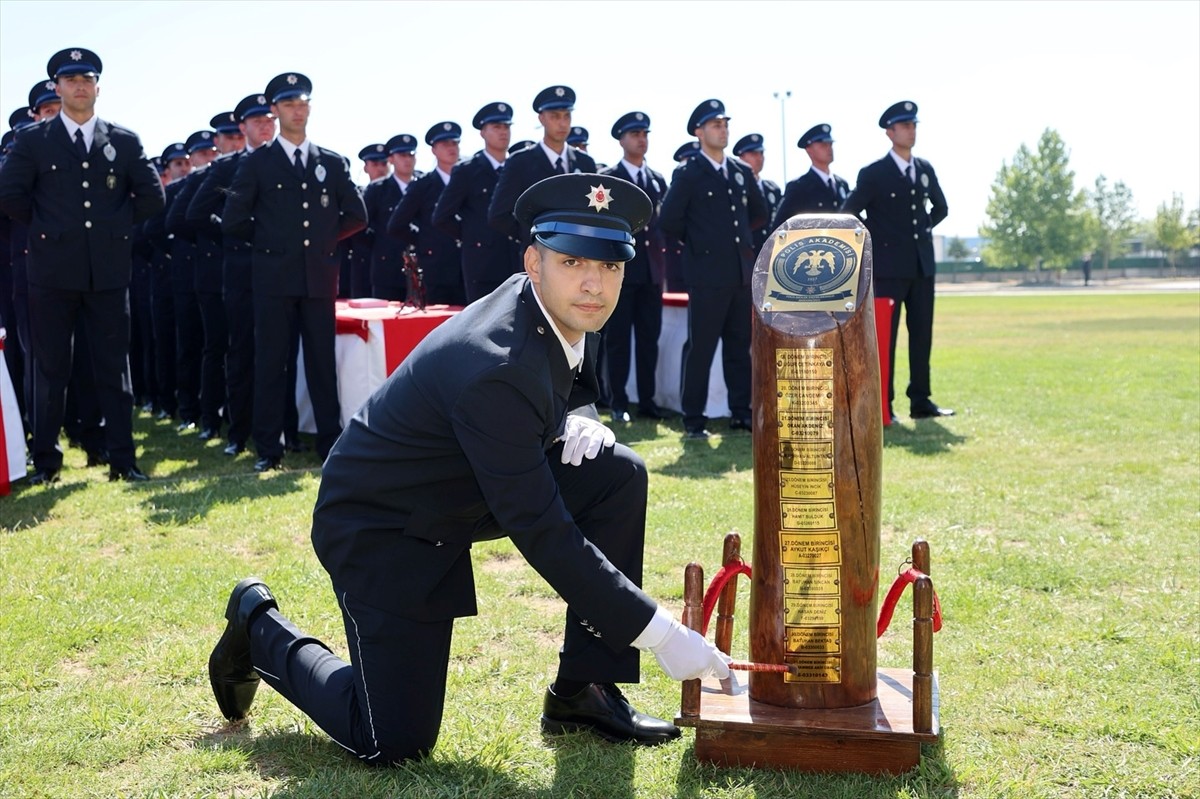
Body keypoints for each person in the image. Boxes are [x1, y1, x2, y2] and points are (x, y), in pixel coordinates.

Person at [208, 173, 731, 764]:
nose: (594, 283)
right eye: (573, 261)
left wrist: (574, 416)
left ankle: (585, 689)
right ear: (534, 262)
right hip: (386, 524)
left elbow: (561, 376)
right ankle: (259, 628)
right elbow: (543, 530)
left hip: (458, 490)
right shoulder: (498, 368)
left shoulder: (559, 306)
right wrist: (660, 632)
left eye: (610, 266)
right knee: (394, 741)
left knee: (616, 473)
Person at [0, 47, 164, 484]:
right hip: (51, 272)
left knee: (114, 369)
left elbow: (151, 196)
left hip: (108, 273)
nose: (79, 86)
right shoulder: (34, 140)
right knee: (51, 369)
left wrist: (113, 228)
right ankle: (47, 462)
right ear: (56, 87)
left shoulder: (124, 140)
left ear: (97, 87)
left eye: (87, 79)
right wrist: (48, 229)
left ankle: (123, 460)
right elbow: (11, 194)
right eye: (70, 80)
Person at [221, 72, 367, 471]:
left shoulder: (332, 162)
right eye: (288, 104)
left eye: (302, 104)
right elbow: (233, 219)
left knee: (322, 364)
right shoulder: (257, 163)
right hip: (272, 279)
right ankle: (269, 448)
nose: (297, 111)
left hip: (318, 278)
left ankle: (330, 446)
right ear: (275, 110)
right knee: (272, 363)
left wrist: (323, 241)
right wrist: (273, 243)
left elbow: (357, 215)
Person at [658, 99, 768, 439]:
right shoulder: (689, 172)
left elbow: (759, 213)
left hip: (739, 273)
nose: (723, 129)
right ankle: (694, 419)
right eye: (716, 125)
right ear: (699, 132)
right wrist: (700, 246)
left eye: (725, 123)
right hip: (706, 277)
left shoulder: (739, 171)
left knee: (739, 347)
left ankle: (741, 413)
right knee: (701, 348)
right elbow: (669, 220)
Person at [841, 101, 951, 420]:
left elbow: (941, 208)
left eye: (913, 125)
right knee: (884, 341)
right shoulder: (875, 173)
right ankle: (883, 405)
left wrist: (919, 231)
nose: (911, 131)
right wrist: (880, 237)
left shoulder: (925, 169)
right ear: (890, 132)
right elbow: (850, 212)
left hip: (921, 267)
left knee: (921, 335)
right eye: (904, 126)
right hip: (888, 270)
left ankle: (921, 401)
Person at [187, 93, 277, 457]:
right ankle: (238, 433)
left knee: (276, 354)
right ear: (243, 128)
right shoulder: (225, 168)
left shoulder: (285, 161)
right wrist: (231, 232)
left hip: (278, 271)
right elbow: (194, 214)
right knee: (239, 352)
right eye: (256, 121)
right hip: (239, 270)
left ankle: (281, 430)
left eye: (268, 119)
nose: (264, 126)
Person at [599, 111, 669, 422]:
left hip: (652, 273)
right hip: (620, 272)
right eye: (635, 134)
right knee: (618, 340)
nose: (642, 139)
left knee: (648, 340)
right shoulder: (609, 178)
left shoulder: (656, 179)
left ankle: (648, 401)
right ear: (621, 139)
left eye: (645, 133)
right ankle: (618, 402)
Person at [432, 101, 523, 304]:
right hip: (483, 265)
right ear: (483, 132)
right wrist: (473, 235)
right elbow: (442, 216)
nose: (503, 132)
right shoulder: (467, 171)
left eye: (506, 127)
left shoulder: (520, 166)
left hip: (518, 261)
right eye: (496, 127)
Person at [488, 85, 597, 247]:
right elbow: (498, 215)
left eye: (567, 116)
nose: (562, 123)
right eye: (555, 116)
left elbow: (594, 211)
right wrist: (532, 236)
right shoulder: (520, 162)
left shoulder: (585, 162)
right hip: (540, 257)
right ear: (541, 118)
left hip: (580, 252)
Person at [387, 124, 465, 306]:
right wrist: (424, 240)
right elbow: (396, 225)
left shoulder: (470, 179)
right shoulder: (424, 185)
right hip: (438, 267)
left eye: (454, 143)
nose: (451, 148)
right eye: (445, 144)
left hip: (471, 265)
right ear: (433, 149)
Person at [360, 133, 419, 301]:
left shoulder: (424, 185)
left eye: (411, 155)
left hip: (422, 268)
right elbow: (361, 225)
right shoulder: (378, 190)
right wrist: (380, 244)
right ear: (391, 159)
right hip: (387, 270)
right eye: (402, 155)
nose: (407, 160)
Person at [772, 123, 850, 226]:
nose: (829, 148)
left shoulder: (842, 184)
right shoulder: (799, 186)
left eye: (830, 144)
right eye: (823, 145)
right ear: (808, 149)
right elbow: (780, 225)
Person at [731, 133, 781, 255]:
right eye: (754, 154)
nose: (759, 158)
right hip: (748, 254)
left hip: (772, 254)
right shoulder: (736, 189)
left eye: (761, 153)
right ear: (741, 158)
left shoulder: (772, 189)